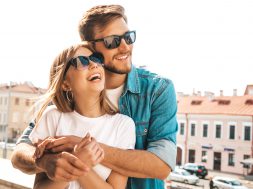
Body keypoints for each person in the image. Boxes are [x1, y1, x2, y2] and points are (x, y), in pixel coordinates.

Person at [11, 4, 178, 189]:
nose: (125, 47)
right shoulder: (68, 94)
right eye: (112, 41)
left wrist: (81, 149)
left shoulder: (158, 89)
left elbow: (162, 165)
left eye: (128, 38)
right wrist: (44, 162)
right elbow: (22, 151)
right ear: (91, 47)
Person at [27, 42, 136, 189]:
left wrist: (78, 164)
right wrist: (80, 161)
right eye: (82, 61)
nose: (94, 65)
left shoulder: (123, 125)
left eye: (96, 59)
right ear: (65, 84)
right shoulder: (52, 117)